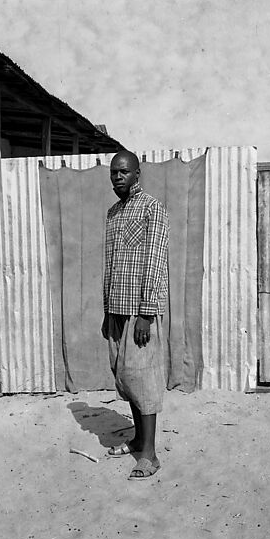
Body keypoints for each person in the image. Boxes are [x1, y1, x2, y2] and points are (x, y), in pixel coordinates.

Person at [101, 150, 169, 480]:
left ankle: (151, 455)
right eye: (114, 172)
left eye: (124, 172)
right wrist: (106, 312)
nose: (117, 177)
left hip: (139, 313)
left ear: (137, 174)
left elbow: (155, 263)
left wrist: (146, 313)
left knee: (143, 379)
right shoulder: (113, 213)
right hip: (116, 310)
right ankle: (138, 439)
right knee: (126, 379)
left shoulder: (151, 209)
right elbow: (110, 267)